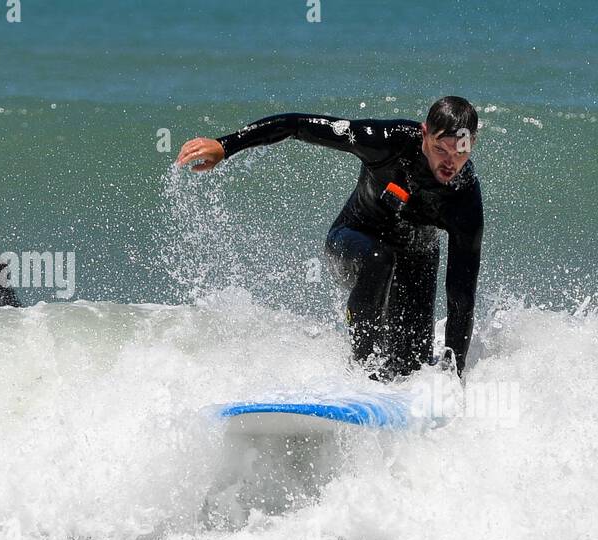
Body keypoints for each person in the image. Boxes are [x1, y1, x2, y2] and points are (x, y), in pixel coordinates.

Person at [177, 97, 484, 380]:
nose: (449, 163)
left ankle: (395, 381)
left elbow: (461, 297)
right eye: (440, 149)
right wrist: (225, 146)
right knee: (380, 259)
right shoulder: (386, 142)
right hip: (352, 241)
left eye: (460, 152)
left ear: (472, 144)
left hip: (417, 260)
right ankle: (363, 373)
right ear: (424, 133)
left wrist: (453, 378)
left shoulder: (464, 200)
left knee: (410, 368)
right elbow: (296, 125)